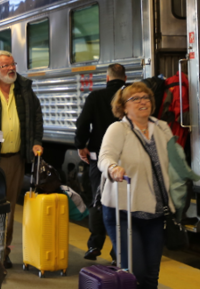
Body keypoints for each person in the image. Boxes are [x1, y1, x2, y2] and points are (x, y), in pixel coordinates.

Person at [98, 82, 174, 288]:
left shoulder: (161, 128)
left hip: (156, 212)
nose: (143, 101)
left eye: (146, 97)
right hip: (123, 211)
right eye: (135, 98)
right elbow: (104, 157)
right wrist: (113, 168)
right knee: (135, 271)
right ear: (123, 107)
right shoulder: (118, 129)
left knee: (151, 275)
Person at [0, 50, 44, 269]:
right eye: (4, 66)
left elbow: (36, 116)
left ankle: (3, 253)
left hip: (14, 159)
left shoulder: (24, 90)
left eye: (12, 64)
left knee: (9, 208)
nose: (10, 69)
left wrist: (35, 141)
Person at [74, 63, 126, 262]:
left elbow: (83, 122)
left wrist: (81, 144)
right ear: (125, 78)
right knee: (121, 204)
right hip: (123, 162)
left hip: (98, 160)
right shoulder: (127, 97)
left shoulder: (95, 97)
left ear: (107, 78)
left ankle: (95, 244)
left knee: (98, 201)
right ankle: (117, 252)